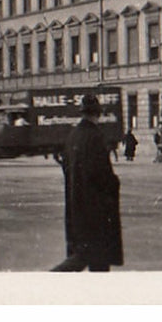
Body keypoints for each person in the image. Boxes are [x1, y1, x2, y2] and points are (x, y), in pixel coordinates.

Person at [52, 94, 124, 272]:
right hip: (96, 207)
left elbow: (66, 167)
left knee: (83, 253)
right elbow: (103, 174)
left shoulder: (73, 136)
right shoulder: (96, 136)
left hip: (75, 203)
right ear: (97, 114)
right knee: (95, 257)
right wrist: (114, 183)